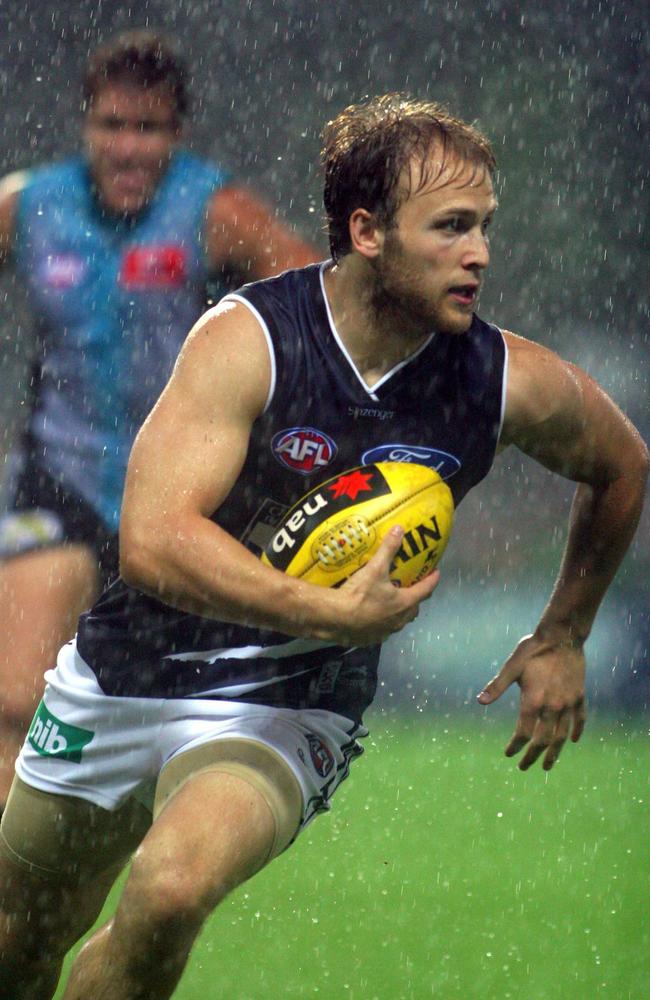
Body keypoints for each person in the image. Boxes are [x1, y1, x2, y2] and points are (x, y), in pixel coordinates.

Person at [0, 93, 647, 1000]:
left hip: (289, 702)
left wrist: (565, 631)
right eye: (452, 227)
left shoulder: (501, 380)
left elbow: (623, 464)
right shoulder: (250, 338)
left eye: (486, 227)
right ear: (368, 231)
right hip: (125, 670)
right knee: (21, 940)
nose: (481, 255)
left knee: (170, 890)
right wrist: (328, 608)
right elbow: (153, 544)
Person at [0, 29, 318, 808]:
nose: (129, 148)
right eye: (112, 125)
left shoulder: (216, 212)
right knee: (14, 697)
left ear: (175, 135)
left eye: (147, 129)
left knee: (161, 717)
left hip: (181, 490)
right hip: (60, 478)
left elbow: (320, 309)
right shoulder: (28, 207)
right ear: (85, 125)